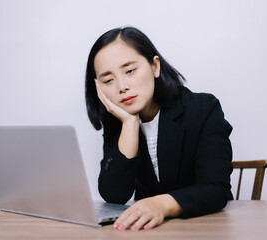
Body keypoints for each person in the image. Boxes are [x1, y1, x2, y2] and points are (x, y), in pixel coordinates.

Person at [85, 26, 233, 231]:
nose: (121, 86)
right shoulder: (117, 123)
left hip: (203, 228)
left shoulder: (203, 109)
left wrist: (162, 204)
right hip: (150, 232)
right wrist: (129, 124)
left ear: (155, 66)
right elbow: (114, 196)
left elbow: (217, 190)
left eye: (130, 71)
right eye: (108, 80)